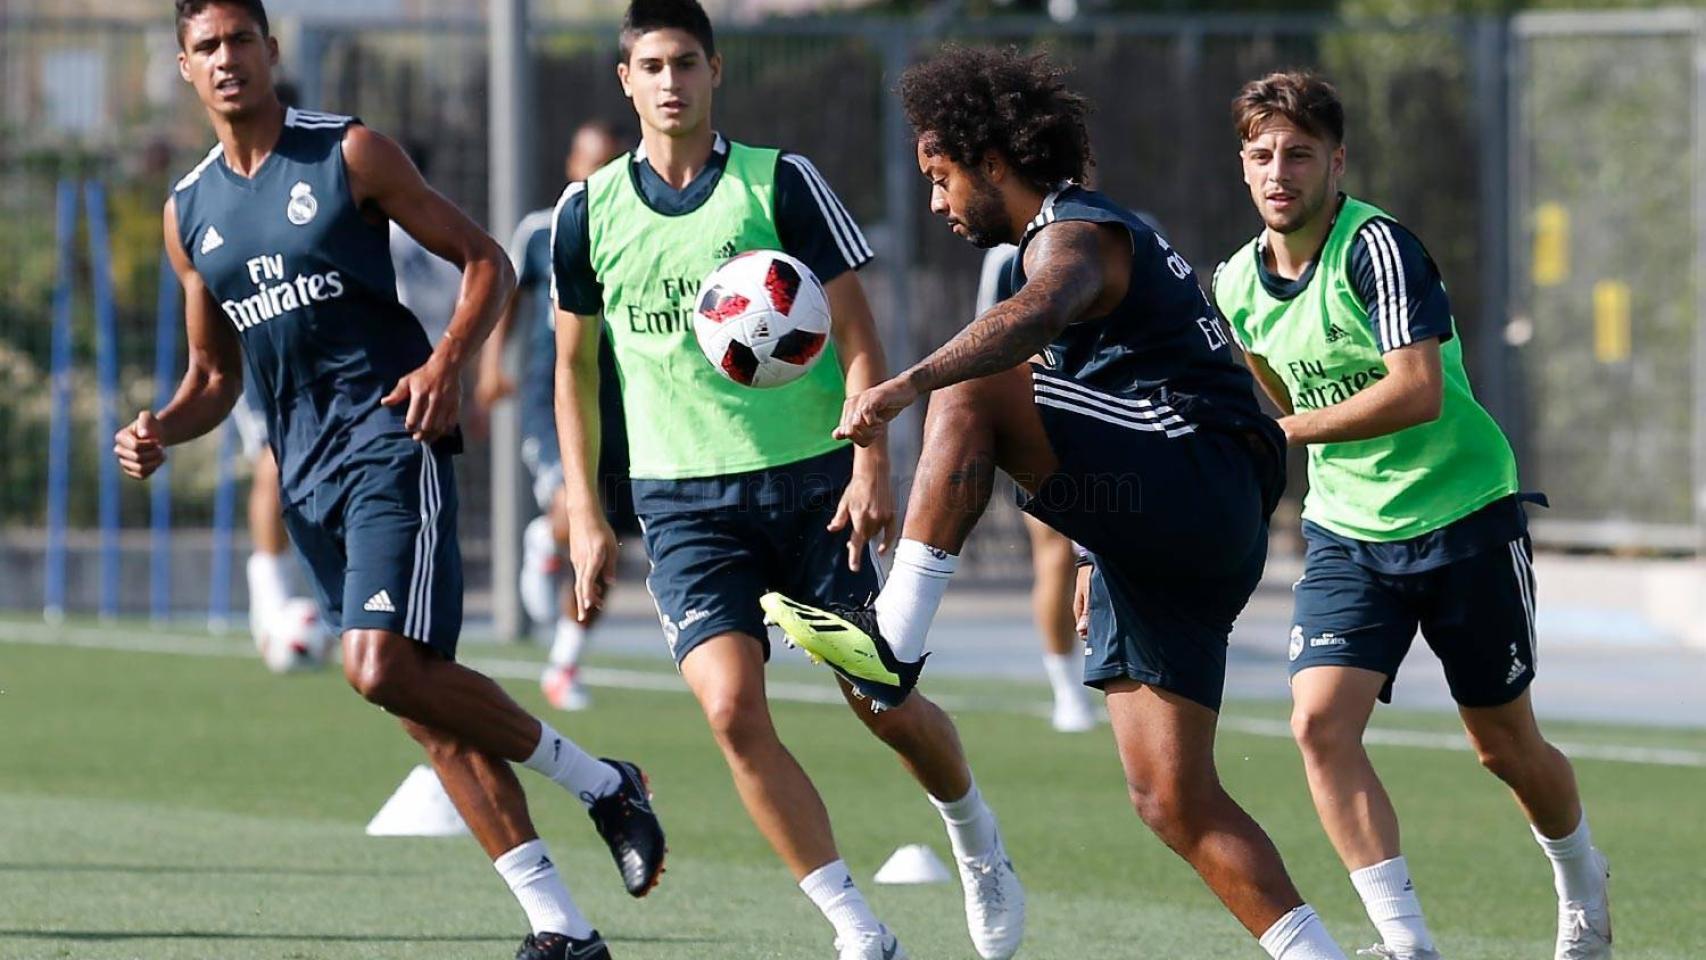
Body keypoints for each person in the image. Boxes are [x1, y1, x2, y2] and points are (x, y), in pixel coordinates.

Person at [762, 45, 1353, 960]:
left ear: (991, 164)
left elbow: (1038, 322)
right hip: (1180, 520)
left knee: (975, 385)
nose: (936, 202)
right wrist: (1090, 545)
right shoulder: (1074, 236)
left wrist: (908, 383)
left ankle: (896, 638)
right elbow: (1095, 397)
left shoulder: (1078, 229)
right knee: (1171, 798)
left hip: (1202, 472)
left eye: (940, 176)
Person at [114, 4, 665, 958]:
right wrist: (160, 426)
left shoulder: (348, 153)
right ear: (184, 70)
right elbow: (214, 378)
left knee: (377, 667)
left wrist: (447, 361)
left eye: (242, 40)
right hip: (308, 477)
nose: (228, 59)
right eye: (207, 48)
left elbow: (484, 261)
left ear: (270, 51)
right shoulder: (189, 210)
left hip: (390, 445)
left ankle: (599, 783)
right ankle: (561, 928)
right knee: (417, 699)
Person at [551, 4, 1024, 958]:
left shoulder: (780, 182)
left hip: (814, 488)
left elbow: (858, 337)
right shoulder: (585, 212)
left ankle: (976, 838)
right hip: (683, 503)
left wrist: (872, 460)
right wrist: (585, 511)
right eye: (652, 65)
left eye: (687, 62)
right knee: (731, 710)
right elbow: (571, 370)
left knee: (877, 698)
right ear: (626, 80)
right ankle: (857, 927)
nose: (671, 81)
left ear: (716, 70)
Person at [1211, 71, 1612, 960]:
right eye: (1262, 154)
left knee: (1504, 747)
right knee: (1318, 725)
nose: (1280, 171)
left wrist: (1286, 428)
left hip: (1463, 514)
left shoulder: (1377, 248)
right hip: (1348, 532)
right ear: (1243, 167)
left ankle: (1581, 876)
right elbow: (1251, 407)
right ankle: (1406, 944)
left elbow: (1417, 391)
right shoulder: (1233, 284)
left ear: (1336, 161)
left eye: (1299, 154)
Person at [477, 120, 631, 712]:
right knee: (572, 511)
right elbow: (508, 303)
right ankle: (546, 536)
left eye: (612, 166)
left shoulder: (640, 231)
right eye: (591, 165)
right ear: (572, 166)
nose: (600, 178)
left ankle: (565, 664)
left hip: (628, 407)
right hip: (556, 394)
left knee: (606, 542)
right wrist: (492, 368)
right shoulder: (543, 232)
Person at [975, 243, 1095, 733]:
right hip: (1043, 418)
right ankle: (1068, 690)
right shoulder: (1008, 254)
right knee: (1058, 551)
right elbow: (988, 336)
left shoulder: (1128, 233)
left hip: (1120, 412)